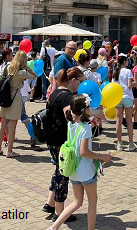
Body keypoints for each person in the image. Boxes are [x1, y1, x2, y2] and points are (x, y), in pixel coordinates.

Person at [47, 94, 112, 230]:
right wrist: (102, 156)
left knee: (77, 202)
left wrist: (93, 122)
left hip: (73, 171)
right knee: (92, 202)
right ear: (85, 110)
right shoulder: (85, 128)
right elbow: (84, 152)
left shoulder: (71, 124)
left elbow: (81, 132)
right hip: (86, 171)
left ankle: (54, 227)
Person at [42, 66, 86, 224]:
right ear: (73, 81)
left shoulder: (54, 92)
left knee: (58, 171)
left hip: (51, 139)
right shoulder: (67, 96)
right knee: (63, 175)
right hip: (61, 141)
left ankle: (50, 203)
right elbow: (70, 116)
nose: (82, 85)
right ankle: (59, 212)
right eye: (81, 81)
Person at [0, 50, 36, 158]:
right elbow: (34, 75)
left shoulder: (6, 68)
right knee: (12, 126)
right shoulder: (21, 72)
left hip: (4, 97)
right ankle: (9, 151)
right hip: (15, 98)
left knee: (2, 124)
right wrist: (26, 67)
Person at [114, 55, 137, 151]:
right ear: (124, 61)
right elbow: (129, 85)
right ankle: (131, 143)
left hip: (118, 97)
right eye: (127, 60)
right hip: (127, 97)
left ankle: (119, 143)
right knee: (129, 121)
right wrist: (134, 84)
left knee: (118, 120)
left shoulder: (116, 71)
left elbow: (114, 85)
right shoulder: (128, 71)